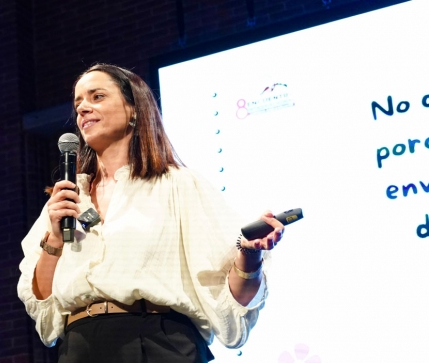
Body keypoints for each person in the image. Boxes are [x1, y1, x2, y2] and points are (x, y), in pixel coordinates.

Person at [17, 63, 285, 363]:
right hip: (81, 346)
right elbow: (43, 306)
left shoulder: (177, 184)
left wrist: (249, 254)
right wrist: (53, 238)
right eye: (78, 102)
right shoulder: (64, 199)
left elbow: (228, 293)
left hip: (158, 342)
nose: (83, 109)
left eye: (97, 97)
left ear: (133, 110)